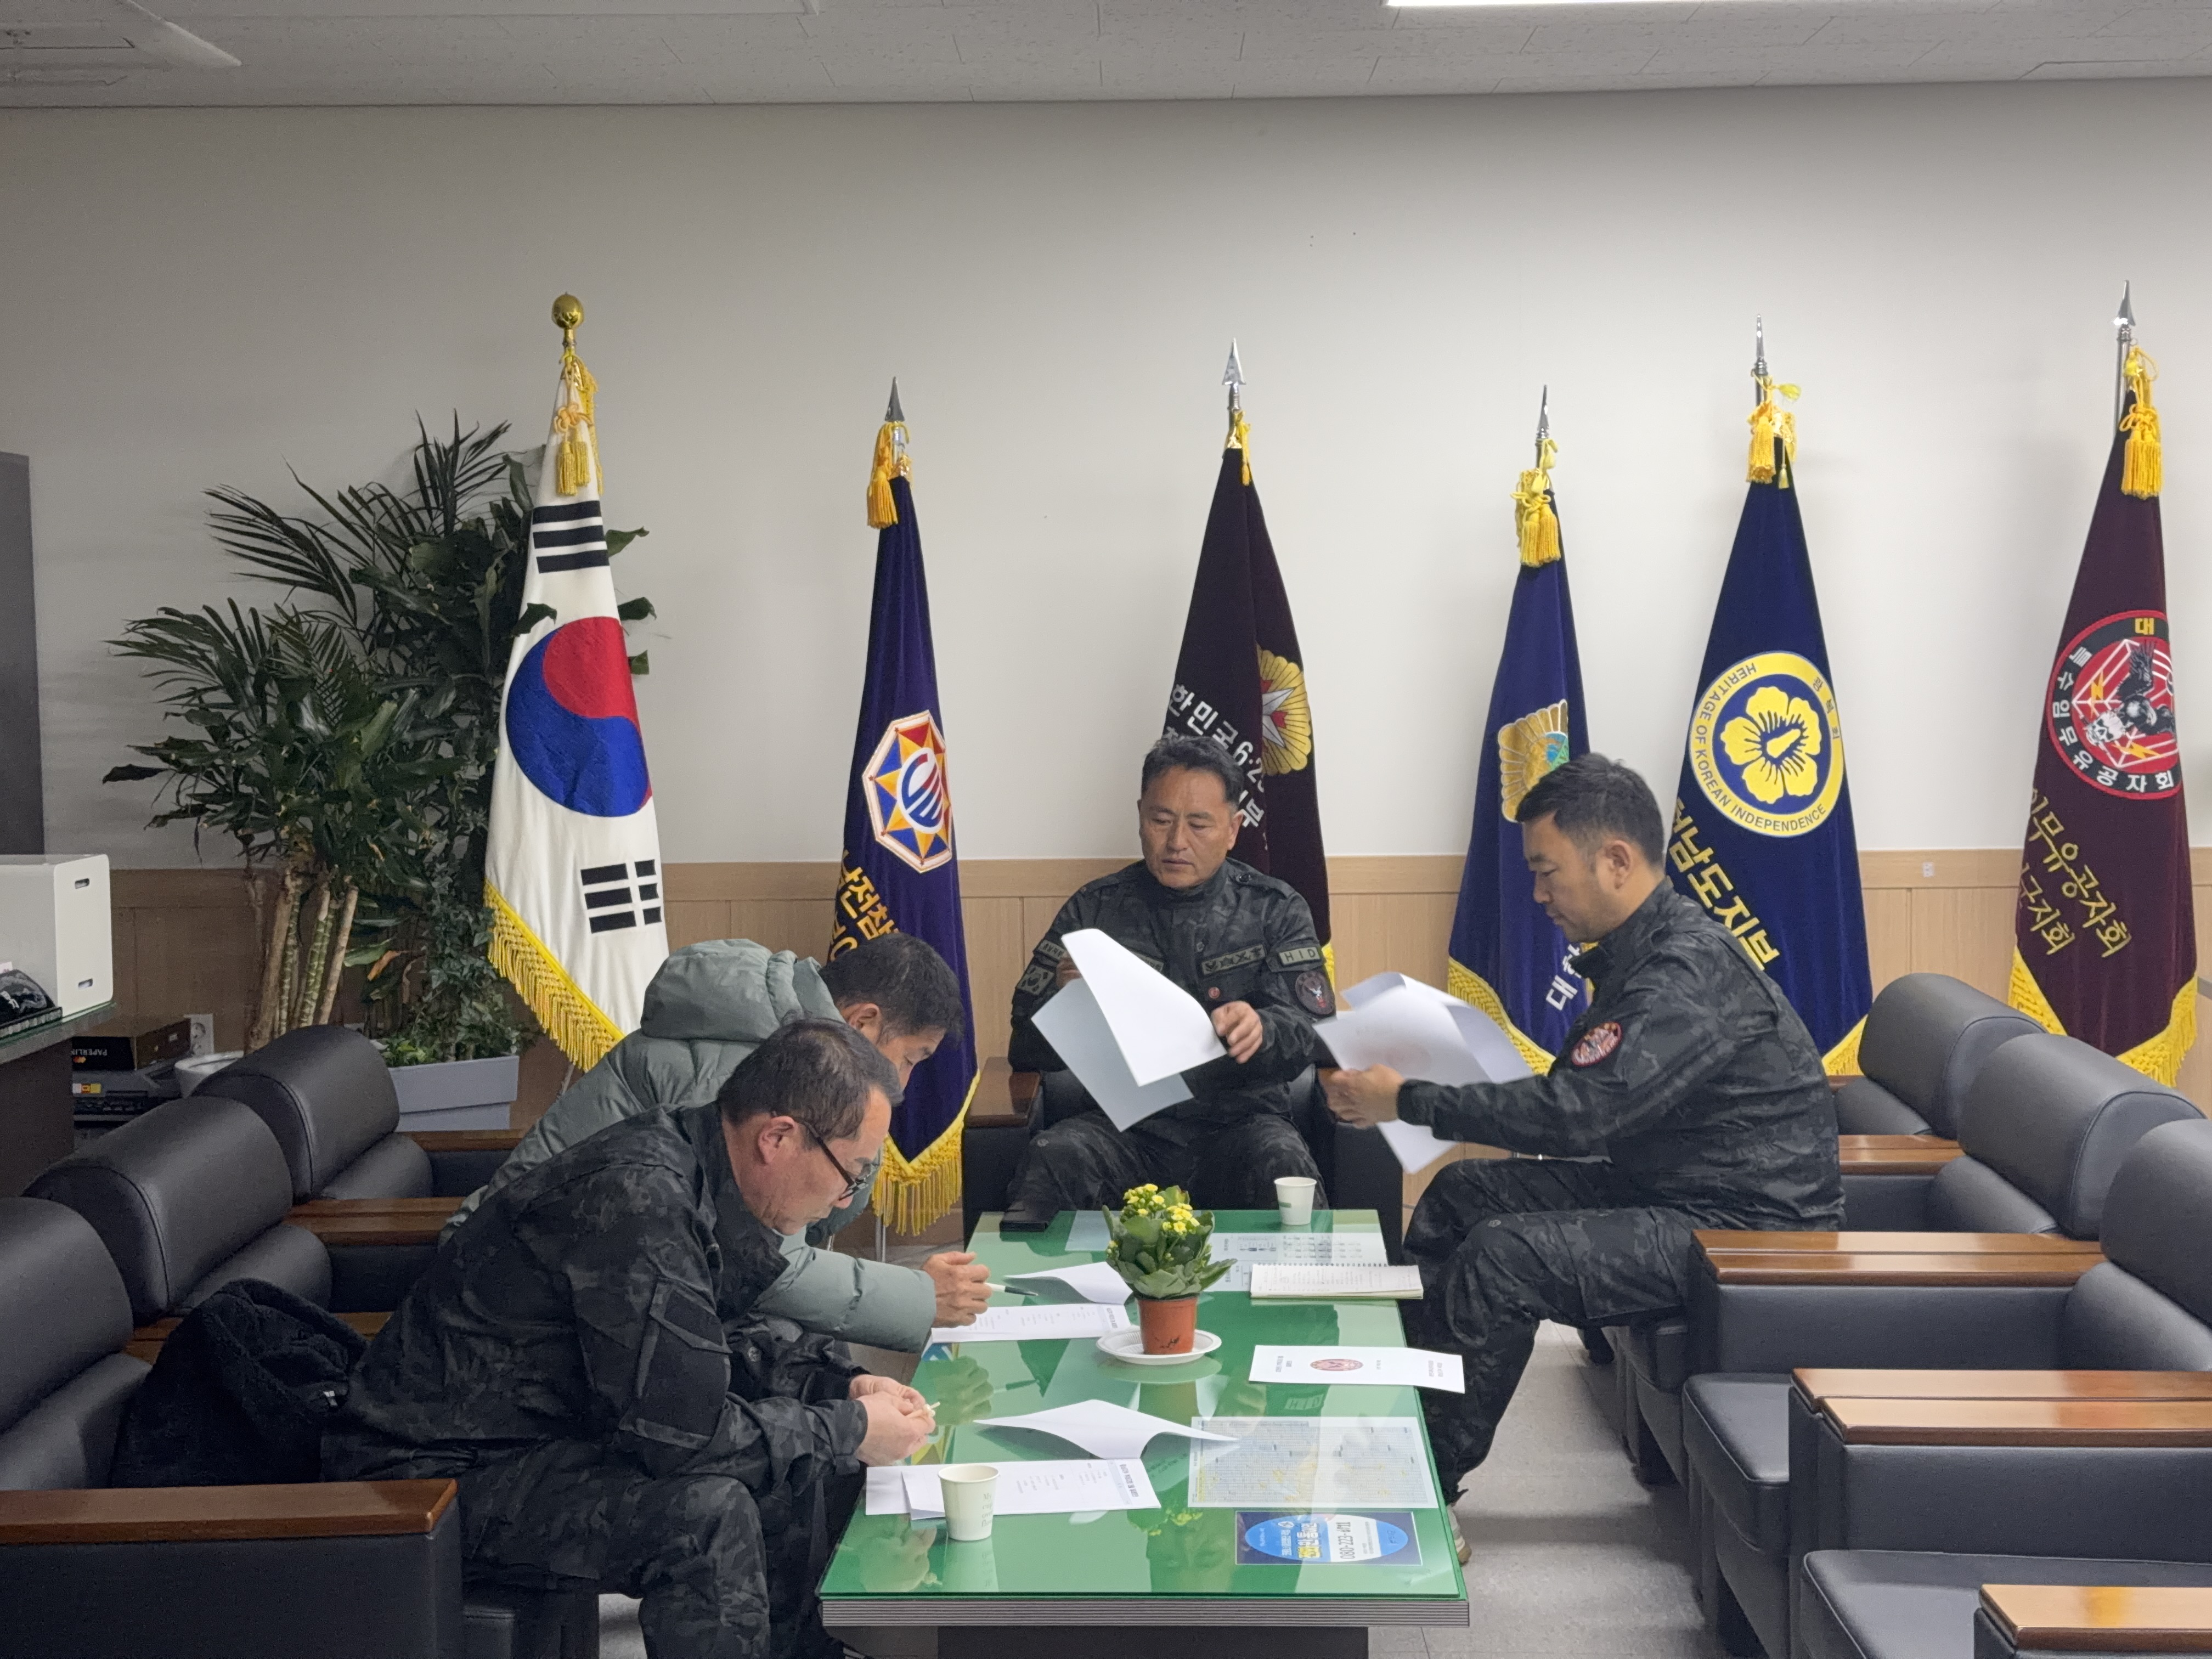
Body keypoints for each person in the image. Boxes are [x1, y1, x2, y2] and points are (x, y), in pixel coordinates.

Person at [325, 1020, 938, 1659]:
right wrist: (846, 1429)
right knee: (706, 1517)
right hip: (438, 1471)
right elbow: (683, 1441)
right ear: (778, 1138)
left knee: (794, 1451)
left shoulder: (700, 1169)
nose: (844, 1198)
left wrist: (838, 1385)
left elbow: (724, 1340)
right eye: (851, 1172)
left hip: (548, 1434)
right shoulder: (639, 1202)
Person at [1322, 753, 1841, 1495]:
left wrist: (1406, 1100)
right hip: (1672, 1190)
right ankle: (1403, 1406)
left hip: (1747, 1229)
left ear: (1616, 861)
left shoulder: (1684, 973)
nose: (1538, 894)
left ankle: (1416, 1486)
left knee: (1505, 1259)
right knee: (1462, 1193)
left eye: (1547, 872)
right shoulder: (1641, 955)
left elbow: (1575, 1117)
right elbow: (1582, 1095)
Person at [449, 931, 990, 1347]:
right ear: (864, 1022)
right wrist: (918, 1297)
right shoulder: (752, 1070)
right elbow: (761, 1263)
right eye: (911, 1059)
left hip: (597, 1274)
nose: (905, 1084)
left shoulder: (782, 1043)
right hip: (511, 1300)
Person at [1001, 734, 1330, 1229]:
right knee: (1054, 1154)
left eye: (1199, 824)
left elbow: (1315, 1032)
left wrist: (1263, 1029)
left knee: (1283, 1164)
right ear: (1140, 816)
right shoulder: (1094, 910)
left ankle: (1304, 1285)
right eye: (1161, 820)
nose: (1177, 842)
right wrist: (1065, 1003)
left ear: (1233, 829)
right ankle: (1028, 1285)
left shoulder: (1275, 909)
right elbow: (1023, 1047)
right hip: (1123, 1130)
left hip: (1241, 1126)